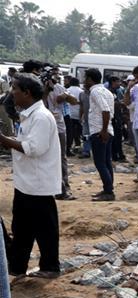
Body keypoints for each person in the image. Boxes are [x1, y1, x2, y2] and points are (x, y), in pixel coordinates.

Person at [0, 74, 62, 280]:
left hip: (38, 183)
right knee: (22, 227)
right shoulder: (31, 116)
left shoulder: (42, 117)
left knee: (45, 229)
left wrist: (4, 140)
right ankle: (17, 267)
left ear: (27, 93)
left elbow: (33, 148)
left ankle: (51, 266)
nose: (12, 93)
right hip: (26, 182)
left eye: (15, 89)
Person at [42, 67, 77, 199]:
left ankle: (64, 188)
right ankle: (50, 188)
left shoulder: (60, 88)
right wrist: (46, 89)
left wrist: (66, 96)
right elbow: (41, 102)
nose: (55, 78)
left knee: (61, 157)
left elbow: (74, 101)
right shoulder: (39, 88)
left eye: (57, 75)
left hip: (59, 126)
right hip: (44, 127)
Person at [83, 68, 116, 201]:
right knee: (106, 162)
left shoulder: (96, 92)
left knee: (100, 163)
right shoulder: (106, 91)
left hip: (100, 132)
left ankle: (109, 192)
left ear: (90, 79)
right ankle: (107, 189)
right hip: (107, 130)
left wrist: (102, 131)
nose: (84, 81)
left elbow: (106, 110)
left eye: (85, 78)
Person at [108, 77, 127, 161]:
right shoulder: (110, 92)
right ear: (113, 82)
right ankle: (117, 155)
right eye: (118, 82)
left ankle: (116, 155)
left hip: (117, 117)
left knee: (117, 137)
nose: (119, 83)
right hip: (114, 118)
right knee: (116, 137)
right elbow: (114, 104)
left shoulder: (116, 91)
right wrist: (121, 103)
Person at [65, 76, 83, 156]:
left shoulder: (66, 91)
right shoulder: (81, 91)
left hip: (69, 114)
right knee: (78, 132)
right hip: (78, 114)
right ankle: (77, 147)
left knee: (70, 132)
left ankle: (69, 148)